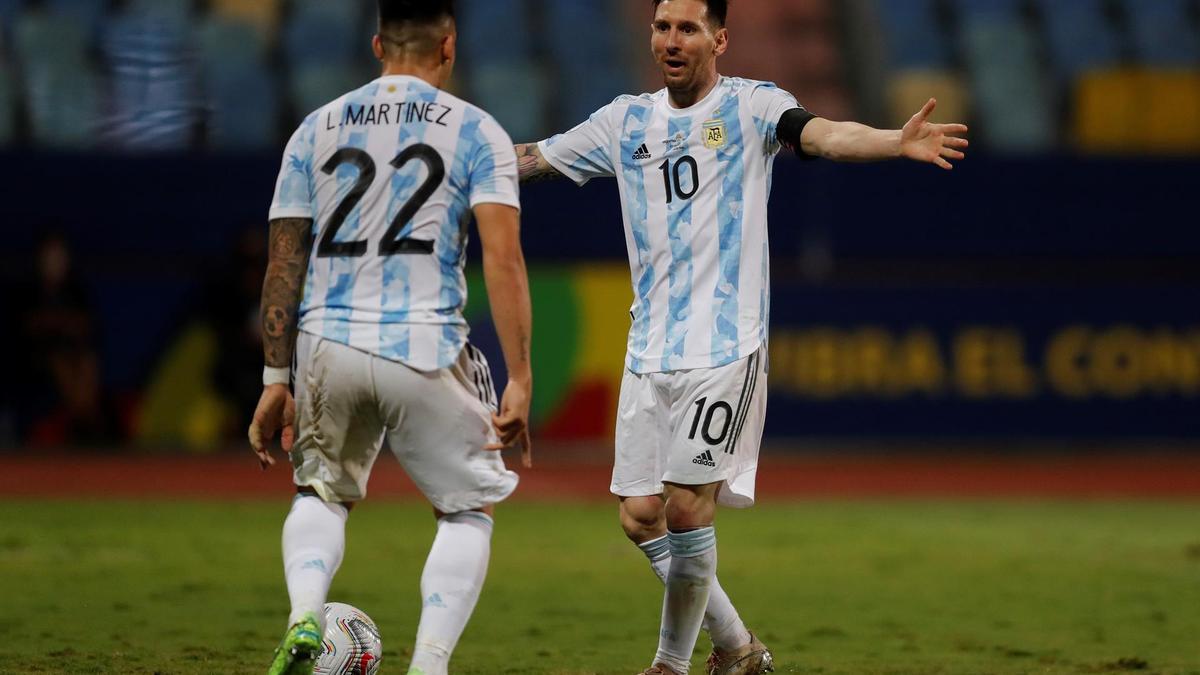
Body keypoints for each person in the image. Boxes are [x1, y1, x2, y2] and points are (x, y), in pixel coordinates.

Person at [514, 1, 968, 673]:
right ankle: (737, 648)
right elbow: (535, 159)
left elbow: (820, 134)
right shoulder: (624, 120)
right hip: (649, 349)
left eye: (688, 28)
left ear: (719, 39)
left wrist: (890, 142)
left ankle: (669, 664)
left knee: (688, 510)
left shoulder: (752, 106)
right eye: (663, 26)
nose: (672, 39)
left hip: (725, 347)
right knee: (641, 515)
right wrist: (460, 163)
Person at [247, 1, 533, 674]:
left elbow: (283, 263)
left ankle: (304, 616)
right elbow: (502, 256)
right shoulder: (477, 130)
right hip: (423, 345)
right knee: (467, 510)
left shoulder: (314, 129)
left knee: (320, 493)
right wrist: (519, 375)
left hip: (328, 344)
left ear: (378, 44)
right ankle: (428, 663)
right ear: (449, 46)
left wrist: (275, 380)